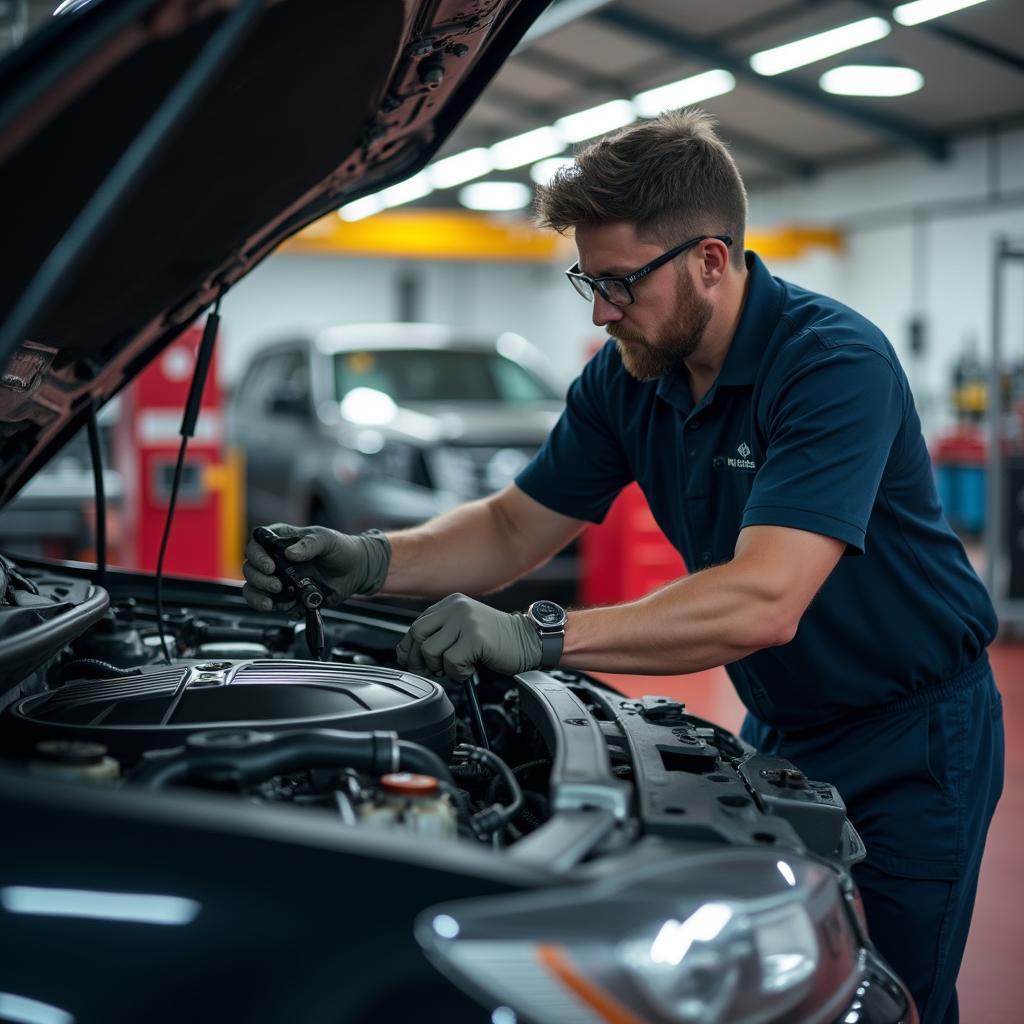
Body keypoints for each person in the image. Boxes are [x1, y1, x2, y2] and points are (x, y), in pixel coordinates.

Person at [242, 108, 1003, 1023]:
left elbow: (764, 600)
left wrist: (536, 635)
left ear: (710, 262)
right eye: (587, 282)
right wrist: (371, 560)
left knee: (894, 998)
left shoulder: (832, 365)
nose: (601, 310)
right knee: (776, 981)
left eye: (618, 283)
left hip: (914, 736)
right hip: (787, 724)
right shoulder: (628, 375)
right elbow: (516, 525)